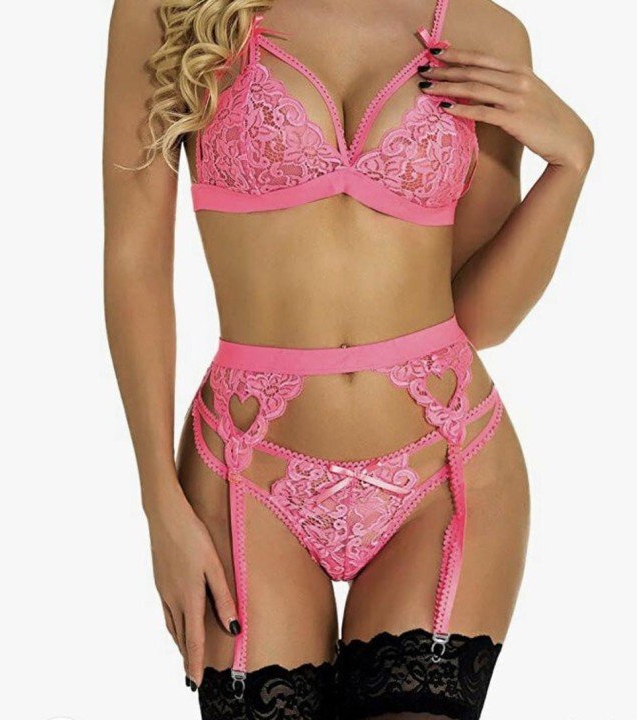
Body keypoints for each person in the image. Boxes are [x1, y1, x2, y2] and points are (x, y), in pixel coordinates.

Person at [103, 0, 593, 717]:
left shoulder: (483, 33)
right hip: (245, 470)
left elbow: (481, 318)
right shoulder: (171, 10)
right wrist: (159, 505)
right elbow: (135, 267)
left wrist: (571, 162)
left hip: (446, 467)